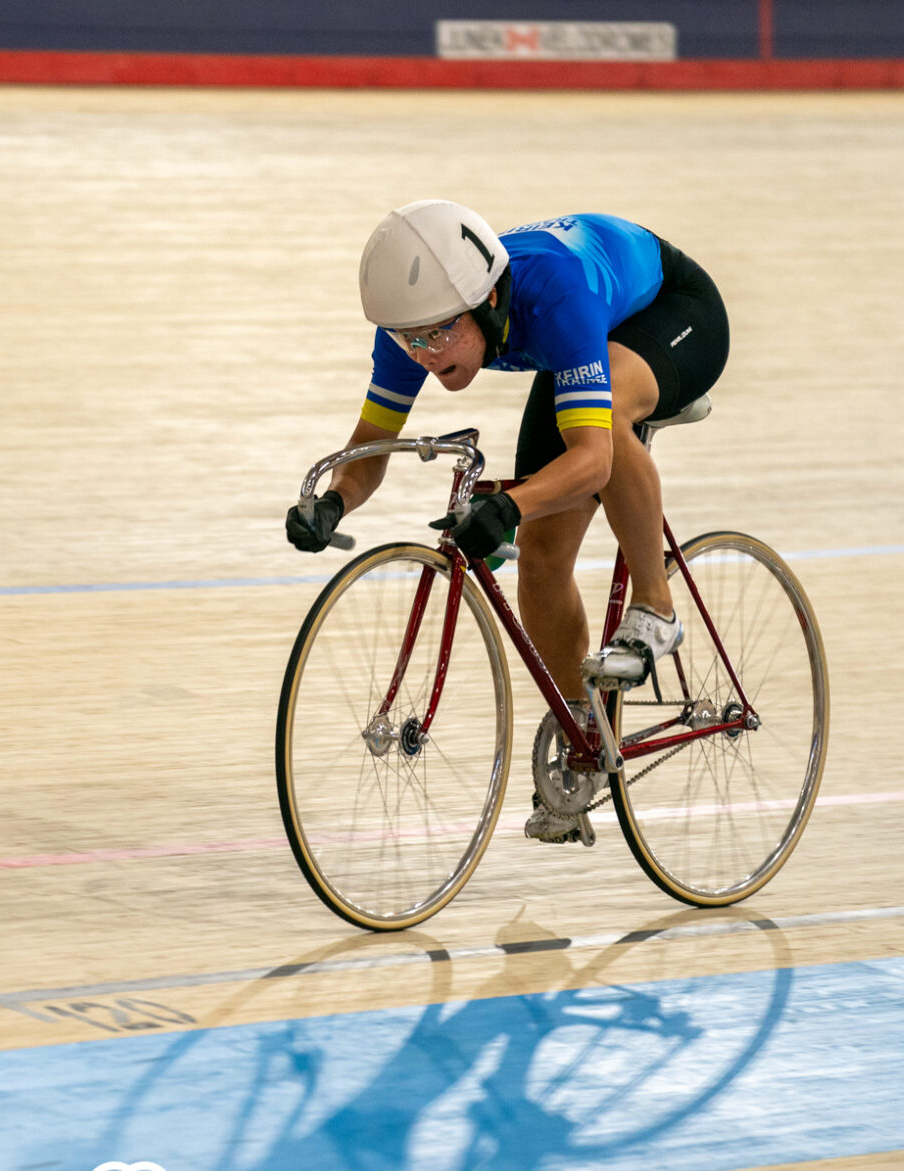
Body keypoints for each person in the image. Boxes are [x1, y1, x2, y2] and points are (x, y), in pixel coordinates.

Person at [284, 201, 729, 843]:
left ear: (490, 299)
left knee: (601, 425)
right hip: (579, 343)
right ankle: (586, 739)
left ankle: (657, 609)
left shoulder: (552, 294)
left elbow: (593, 461)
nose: (426, 355)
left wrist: (510, 506)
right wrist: (333, 504)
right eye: (411, 340)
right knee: (542, 559)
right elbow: (372, 446)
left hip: (672, 312)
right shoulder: (417, 324)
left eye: (439, 335)